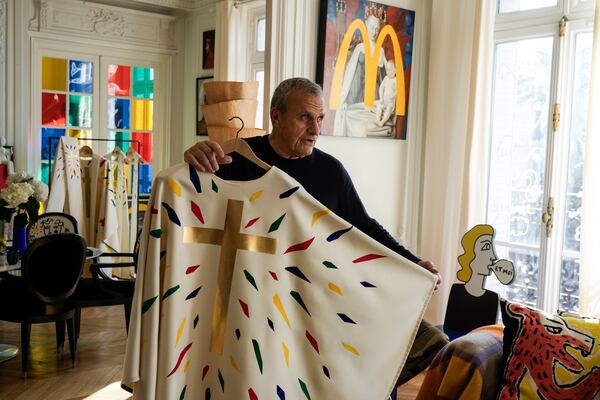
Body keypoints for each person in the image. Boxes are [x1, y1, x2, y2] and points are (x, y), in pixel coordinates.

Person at [184, 77, 447, 388]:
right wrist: (193, 159)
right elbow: (193, 209)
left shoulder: (331, 172)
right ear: (276, 116)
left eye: (320, 118)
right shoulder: (234, 160)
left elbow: (362, 225)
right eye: (305, 117)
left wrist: (412, 262)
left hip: (320, 293)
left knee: (431, 341)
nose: (315, 129)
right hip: (254, 298)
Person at [374, 59, 397, 127]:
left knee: (389, 109)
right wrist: (381, 98)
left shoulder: (395, 80)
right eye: (387, 70)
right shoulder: (386, 78)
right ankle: (377, 119)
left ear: (395, 70)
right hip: (384, 101)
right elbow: (381, 87)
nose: (387, 72)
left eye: (390, 70)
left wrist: (393, 95)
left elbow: (397, 92)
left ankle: (382, 121)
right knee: (379, 105)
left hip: (390, 103)